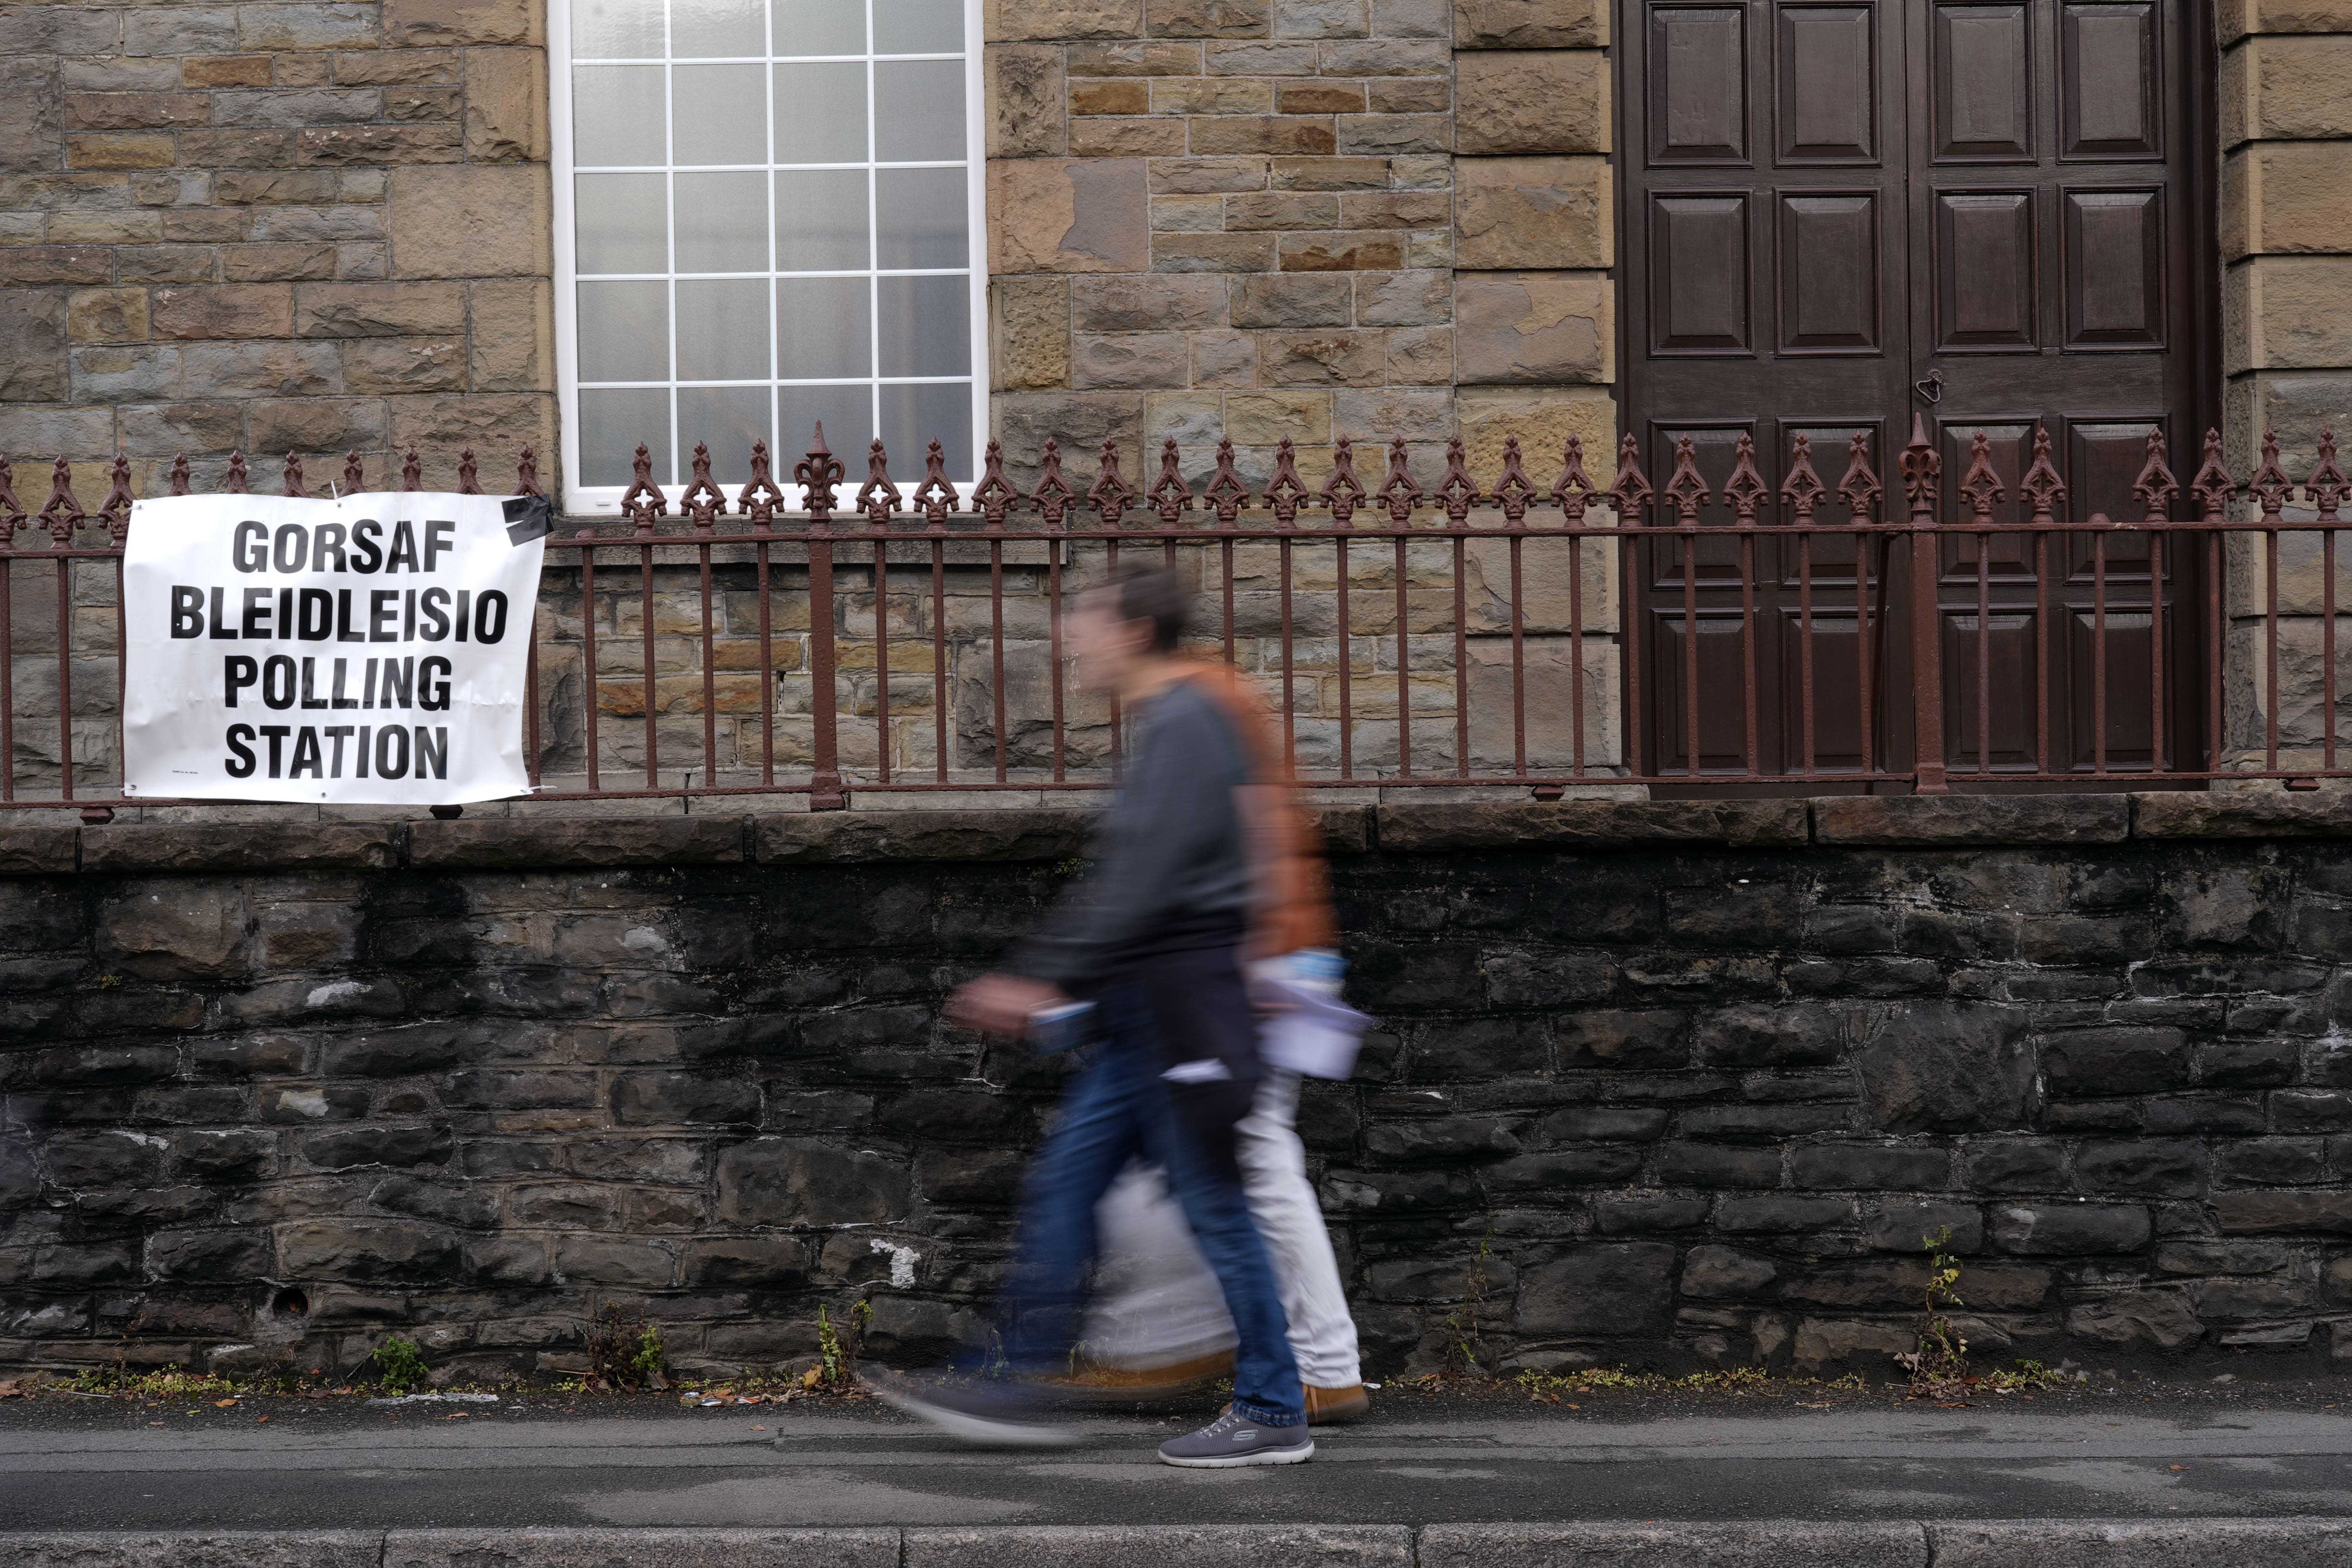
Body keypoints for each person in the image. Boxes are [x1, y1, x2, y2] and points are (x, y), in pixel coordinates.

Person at [860, 565, 1314, 1469]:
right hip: (1144, 1007)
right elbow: (1133, 879)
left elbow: (1141, 880)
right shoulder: (1169, 722)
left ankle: (1271, 1405)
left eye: (1086, 622)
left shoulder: (1185, 719)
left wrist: (1041, 978)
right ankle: (1015, 1381)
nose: (1072, 638)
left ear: (1135, 631)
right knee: (1064, 1186)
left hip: (1180, 1005)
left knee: (1215, 1207)